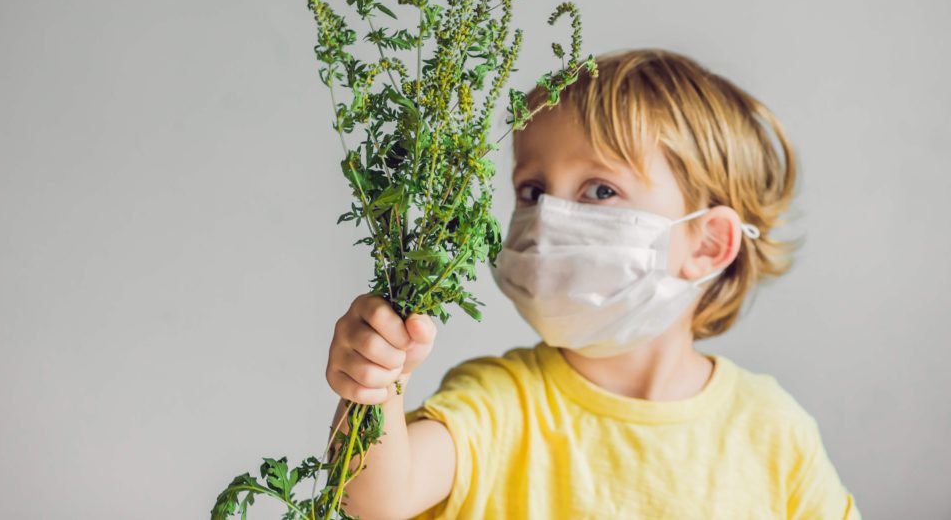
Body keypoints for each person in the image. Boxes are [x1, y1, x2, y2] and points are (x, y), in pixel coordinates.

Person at [325, 48, 861, 519]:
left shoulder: (772, 430)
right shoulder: (500, 403)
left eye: (600, 190)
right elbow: (376, 498)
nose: (550, 219)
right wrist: (374, 384)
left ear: (706, 244)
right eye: (532, 191)